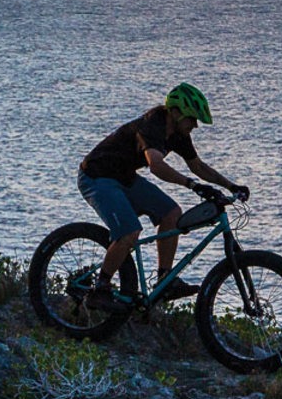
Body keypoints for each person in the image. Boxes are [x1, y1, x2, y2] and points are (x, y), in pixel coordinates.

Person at [77, 83, 250, 311]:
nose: (195, 125)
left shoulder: (178, 133)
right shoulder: (153, 124)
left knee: (171, 213)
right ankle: (100, 289)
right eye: (192, 119)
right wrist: (193, 186)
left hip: (124, 177)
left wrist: (230, 185)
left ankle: (164, 281)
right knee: (129, 232)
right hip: (97, 176)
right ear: (176, 113)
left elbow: (197, 166)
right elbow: (156, 166)